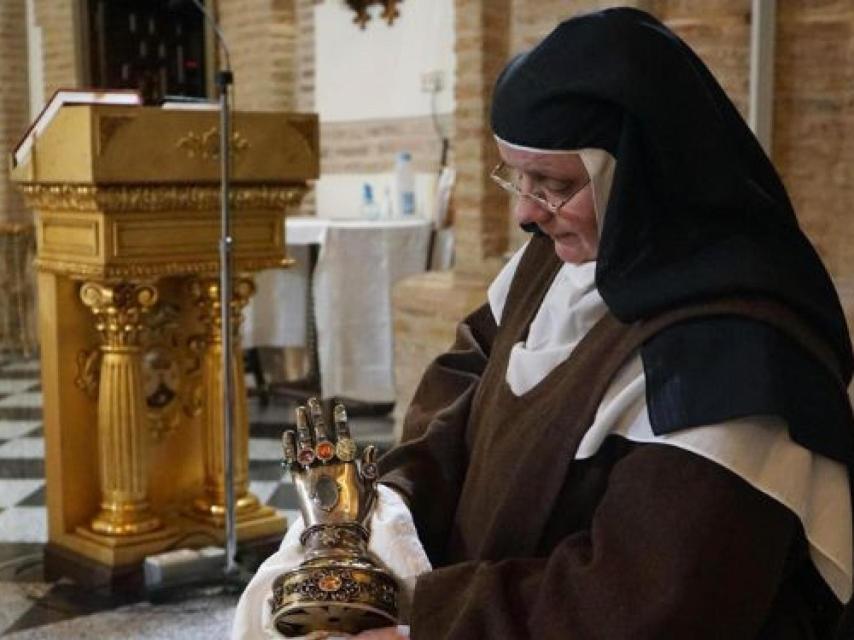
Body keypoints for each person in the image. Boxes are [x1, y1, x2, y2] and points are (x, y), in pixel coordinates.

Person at [233, 7, 853, 639]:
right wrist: (384, 512)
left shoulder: (734, 355)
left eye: (553, 183)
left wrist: (427, 618)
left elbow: (653, 602)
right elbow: (468, 378)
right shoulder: (564, 256)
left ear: (639, 173)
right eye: (516, 177)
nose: (527, 213)